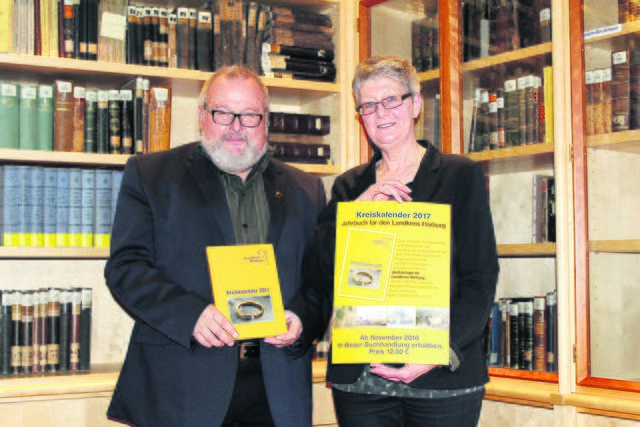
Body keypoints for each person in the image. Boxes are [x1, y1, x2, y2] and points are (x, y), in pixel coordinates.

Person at [104, 65, 326, 427]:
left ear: (266, 121)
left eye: (250, 115)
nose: (236, 126)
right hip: (182, 382)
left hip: (277, 387)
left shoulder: (308, 188)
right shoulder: (151, 174)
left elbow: (319, 279)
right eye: (223, 113)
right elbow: (126, 267)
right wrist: (190, 314)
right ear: (202, 115)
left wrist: (302, 318)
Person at [299, 55, 499, 426]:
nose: (381, 113)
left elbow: (480, 278)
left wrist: (440, 351)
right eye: (369, 105)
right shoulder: (348, 186)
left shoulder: (460, 176)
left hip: (442, 379)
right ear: (361, 117)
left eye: (392, 99)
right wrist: (354, 215)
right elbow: (316, 271)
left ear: (416, 105)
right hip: (362, 380)